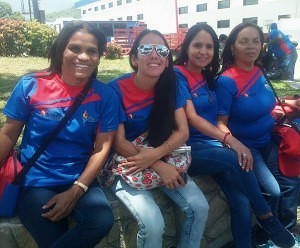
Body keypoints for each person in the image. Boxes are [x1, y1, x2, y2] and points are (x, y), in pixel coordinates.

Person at [174, 23, 295, 248]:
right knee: (235, 158)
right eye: (197, 45)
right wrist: (232, 141)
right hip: (191, 147)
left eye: (209, 46)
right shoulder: (178, 75)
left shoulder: (208, 76)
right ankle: (267, 218)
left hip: (215, 145)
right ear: (186, 46)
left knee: (240, 200)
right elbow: (192, 117)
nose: (203, 51)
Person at [0, 21, 119, 248]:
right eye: (74, 48)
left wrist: (77, 190)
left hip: (79, 178)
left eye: (91, 51)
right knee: (53, 236)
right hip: (36, 182)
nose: (83, 57)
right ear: (61, 49)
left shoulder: (106, 95)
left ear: (98, 57)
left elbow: (102, 147)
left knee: (102, 220)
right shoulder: (31, 85)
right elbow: (8, 135)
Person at [108, 29, 209, 248]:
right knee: (153, 223)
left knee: (199, 207)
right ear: (134, 58)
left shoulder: (172, 85)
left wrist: (157, 157)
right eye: (146, 49)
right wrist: (158, 165)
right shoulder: (116, 90)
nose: (154, 55)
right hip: (129, 163)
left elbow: (183, 131)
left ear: (167, 60)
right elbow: (118, 142)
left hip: (162, 154)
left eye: (161, 50)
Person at [216, 22, 297, 247]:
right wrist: (235, 145)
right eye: (244, 41)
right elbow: (220, 123)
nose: (251, 46)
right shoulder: (226, 81)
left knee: (290, 183)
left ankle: (279, 230)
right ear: (232, 47)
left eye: (255, 41)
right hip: (247, 146)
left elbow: (265, 102)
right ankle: (266, 230)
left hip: (268, 138)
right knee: (273, 190)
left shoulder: (260, 71)